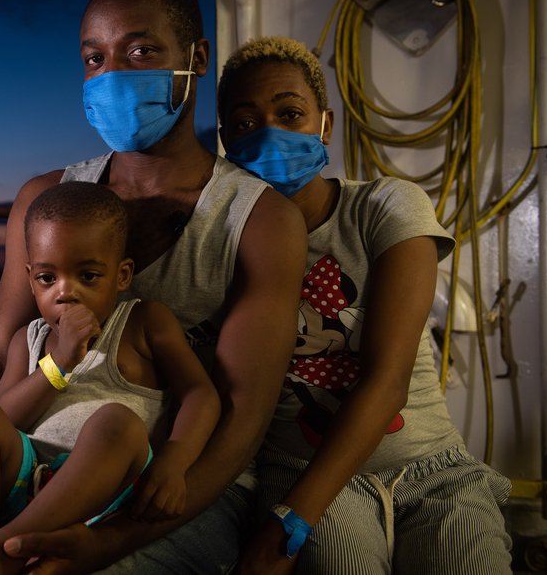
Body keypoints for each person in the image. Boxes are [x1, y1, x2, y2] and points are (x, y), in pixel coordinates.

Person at [0, 0, 306, 575]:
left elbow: (241, 418)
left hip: (172, 494)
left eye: (141, 51)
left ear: (196, 58)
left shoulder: (260, 220)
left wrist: (107, 543)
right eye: (95, 58)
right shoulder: (46, 200)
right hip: (21, 468)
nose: (114, 74)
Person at [216, 35, 512, 574]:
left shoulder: (383, 206)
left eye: (290, 114)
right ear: (225, 140)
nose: (269, 134)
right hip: (299, 468)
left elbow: (389, 378)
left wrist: (286, 527)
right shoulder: (222, 244)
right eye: (245, 123)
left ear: (324, 125)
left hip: (431, 469)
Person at [0, 180, 221, 574]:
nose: (65, 293)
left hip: (103, 490)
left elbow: (200, 395)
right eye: (46, 278)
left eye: (88, 276)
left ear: (122, 276)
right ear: (30, 277)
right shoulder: (30, 339)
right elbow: (2, 419)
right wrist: (57, 364)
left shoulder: (142, 322)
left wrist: (176, 460)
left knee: (116, 421)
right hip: (25, 480)